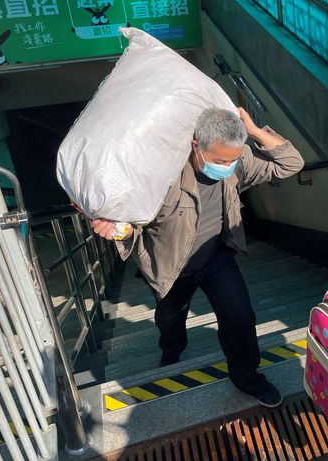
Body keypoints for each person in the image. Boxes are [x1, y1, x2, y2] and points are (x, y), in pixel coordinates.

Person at [92, 107, 304, 408]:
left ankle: (247, 377)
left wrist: (255, 132)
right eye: (219, 161)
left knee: (241, 317)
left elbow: (291, 163)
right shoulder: (161, 176)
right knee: (169, 317)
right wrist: (116, 230)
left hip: (216, 257)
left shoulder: (237, 160)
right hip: (171, 265)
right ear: (196, 146)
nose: (228, 167)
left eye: (233, 159)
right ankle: (172, 349)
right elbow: (131, 222)